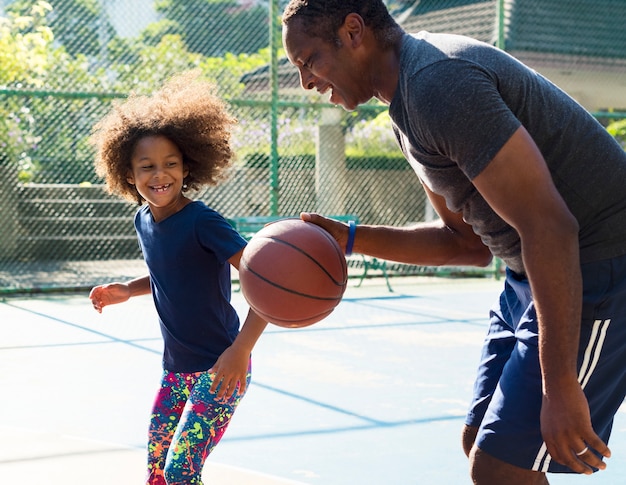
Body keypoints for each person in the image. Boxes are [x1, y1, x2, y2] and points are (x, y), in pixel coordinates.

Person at [281, 1, 626, 484]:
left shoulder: (437, 86)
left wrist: (560, 384)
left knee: (499, 468)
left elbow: (551, 227)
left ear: (353, 31)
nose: (307, 81)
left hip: (600, 262)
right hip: (531, 269)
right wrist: (350, 239)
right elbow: (463, 244)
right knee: (480, 442)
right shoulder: (406, 103)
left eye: (309, 60)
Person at [88, 71, 268, 485]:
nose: (159, 174)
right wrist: (128, 290)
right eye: (146, 166)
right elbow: (168, 272)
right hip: (176, 369)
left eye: (170, 164)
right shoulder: (143, 220)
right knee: (156, 470)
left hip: (222, 369)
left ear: (187, 167)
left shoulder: (203, 221)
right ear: (128, 174)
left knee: (181, 472)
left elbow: (266, 283)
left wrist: (240, 351)